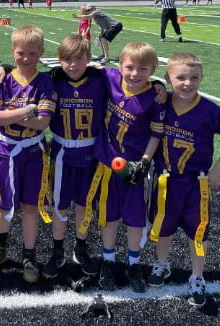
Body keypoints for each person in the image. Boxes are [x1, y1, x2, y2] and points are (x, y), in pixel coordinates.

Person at [81, 42, 166, 293]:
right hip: (107, 164)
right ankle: (108, 261)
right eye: (129, 67)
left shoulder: (155, 97)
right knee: (108, 217)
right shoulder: (111, 77)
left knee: (135, 219)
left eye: (143, 68)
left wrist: (145, 161)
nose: (135, 73)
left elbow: (155, 134)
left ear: (153, 69)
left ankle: (134, 263)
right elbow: (85, 66)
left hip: (134, 169)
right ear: (120, 66)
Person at [0, 25, 56, 284]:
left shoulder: (45, 81)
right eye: (21, 53)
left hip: (34, 151)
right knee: (3, 202)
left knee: (30, 205)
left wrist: (11, 116)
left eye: (33, 53)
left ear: (41, 53)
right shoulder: (3, 78)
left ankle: (29, 254)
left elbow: (42, 123)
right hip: (6, 150)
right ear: (13, 51)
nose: (26, 58)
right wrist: (27, 111)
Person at [147, 53, 220, 307]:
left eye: (194, 78)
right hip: (166, 181)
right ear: (169, 78)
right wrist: (157, 85)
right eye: (180, 78)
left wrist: (218, 168)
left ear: (202, 79)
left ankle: (197, 276)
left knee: (198, 232)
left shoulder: (209, 110)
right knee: (163, 227)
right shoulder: (162, 101)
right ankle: (162, 264)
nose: (187, 83)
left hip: (196, 184)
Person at [41, 35, 107, 279]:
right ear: (59, 61)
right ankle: (57, 250)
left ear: (89, 59)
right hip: (62, 153)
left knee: (84, 204)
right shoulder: (52, 79)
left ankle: (81, 248)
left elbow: (131, 83)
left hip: (90, 153)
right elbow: (25, 77)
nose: (73, 65)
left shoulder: (100, 80)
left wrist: (158, 86)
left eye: (79, 59)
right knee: (60, 205)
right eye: (67, 60)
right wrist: (2, 69)